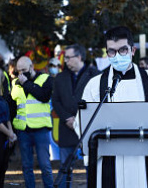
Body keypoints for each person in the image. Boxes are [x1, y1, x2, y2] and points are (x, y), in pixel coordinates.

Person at [80, 26, 148, 188]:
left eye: (123, 50)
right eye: (111, 51)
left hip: (144, 157)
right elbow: (83, 120)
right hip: (108, 159)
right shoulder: (95, 84)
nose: (117, 56)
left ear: (133, 50)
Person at [52, 44, 100, 188]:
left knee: (92, 168)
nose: (65, 60)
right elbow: (56, 101)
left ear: (79, 57)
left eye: (68, 57)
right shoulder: (60, 78)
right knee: (65, 167)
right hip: (67, 128)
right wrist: (67, 118)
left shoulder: (96, 76)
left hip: (88, 128)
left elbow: (99, 101)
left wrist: (79, 120)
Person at [11, 56, 53, 188]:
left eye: (24, 70)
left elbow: (44, 97)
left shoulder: (46, 79)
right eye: (19, 71)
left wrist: (26, 84)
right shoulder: (15, 83)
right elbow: (13, 105)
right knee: (27, 166)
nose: (21, 74)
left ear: (32, 67)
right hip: (23, 130)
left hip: (41, 129)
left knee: (45, 165)